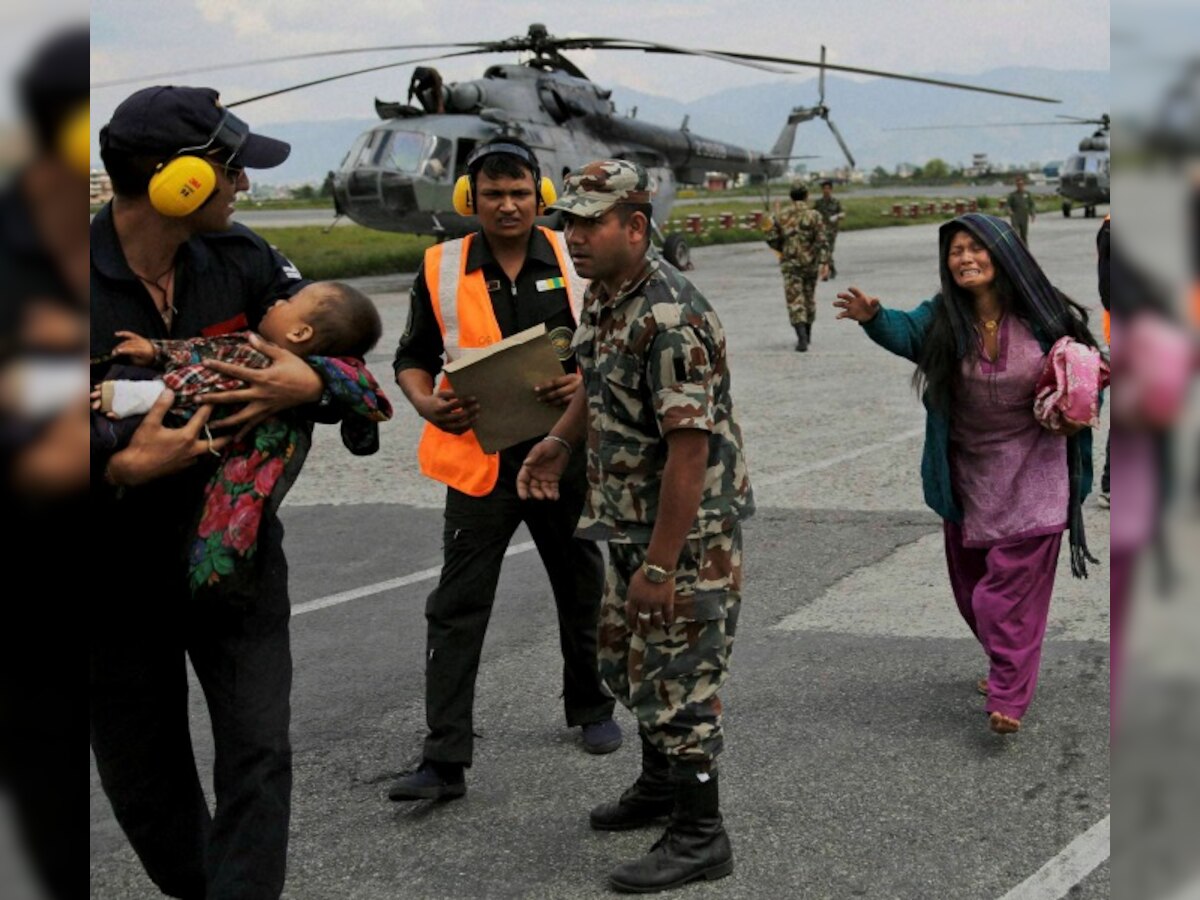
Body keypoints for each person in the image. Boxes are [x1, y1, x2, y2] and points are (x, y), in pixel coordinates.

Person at [90, 86, 377, 899]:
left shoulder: (247, 261)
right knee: (145, 781)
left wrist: (304, 378)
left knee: (258, 752)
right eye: (230, 171)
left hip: (235, 562)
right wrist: (115, 468)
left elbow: (343, 352)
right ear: (174, 178)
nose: (243, 187)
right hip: (110, 578)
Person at [518, 160, 754, 893]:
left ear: (635, 226)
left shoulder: (669, 315)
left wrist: (661, 564)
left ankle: (700, 833)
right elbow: (594, 382)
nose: (576, 237)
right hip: (627, 523)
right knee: (628, 662)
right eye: (570, 223)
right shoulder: (606, 297)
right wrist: (559, 440)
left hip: (684, 536)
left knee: (683, 679)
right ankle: (659, 787)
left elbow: (691, 450)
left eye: (591, 223)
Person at [387, 137, 620, 803]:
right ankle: (444, 756)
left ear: (541, 196)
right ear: (471, 200)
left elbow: (609, 345)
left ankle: (592, 707)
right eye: (493, 195)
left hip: (563, 452)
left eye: (520, 193)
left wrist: (577, 381)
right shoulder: (440, 266)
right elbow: (412, 355)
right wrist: (427, 403)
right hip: (479, 463)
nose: (509, 205)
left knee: (580, 587)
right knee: (457, 605)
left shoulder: (573, 260)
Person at [834, 212, 1099, 736]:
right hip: (969, 473)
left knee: (1004, 595)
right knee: (971, 590)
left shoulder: (1045, 315)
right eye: (956, 250)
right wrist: (874, 317)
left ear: (1004, 256)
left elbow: (1088, 371)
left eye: (976, 248)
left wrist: (1078, 404)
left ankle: (1008, 695)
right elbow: (907, 332)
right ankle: (1008, 658)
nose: (965, 258)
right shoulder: (943, 317)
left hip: (1037, 468)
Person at [92, 280, 390, 599]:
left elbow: (204, 377)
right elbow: (212, 349)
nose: (277, 303)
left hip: (166, 433)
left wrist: (132, 394)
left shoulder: (261, 361)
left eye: (289, 303)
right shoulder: (267, 355)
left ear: (300, 334)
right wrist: (156, 350)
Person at [767, 181, 829, 352]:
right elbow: (822, 240)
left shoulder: (781, 215)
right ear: (806, 195)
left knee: (795, 300)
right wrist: (824, 262)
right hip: (810, 264)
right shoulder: (814, 215)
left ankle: (801, 338)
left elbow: (771, 237)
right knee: (809, 298)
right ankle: (807, 335)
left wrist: (784, 248)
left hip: (790, 264)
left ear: (791, 196)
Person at [813, 179, 845, 280]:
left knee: (828, 251)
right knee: (823, 251)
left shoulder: (835, 202)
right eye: (824, 188)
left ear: (831, 190)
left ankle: (829, 270)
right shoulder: (818, 203)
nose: (826, 190)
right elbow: (813, 214)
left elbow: (842, 213)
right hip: (821, 230)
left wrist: (837, 216)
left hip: (832, 231)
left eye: (828, 188)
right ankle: (830, 269)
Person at [1006, 175, 1037, 244]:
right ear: (1016, 185)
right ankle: (1016, 250)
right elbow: (1008, 205)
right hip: (1015, 217)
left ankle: (1025, 250)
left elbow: (1031, 204)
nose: (1020, 185)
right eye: (1018, 184)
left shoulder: (1027, 194)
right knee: (1015, 234)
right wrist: (1009, 211)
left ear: (1023, 184)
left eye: (1021, 184)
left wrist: (1032, 214)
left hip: (1024, 217)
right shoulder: (1012, 195)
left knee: (1024, 235)